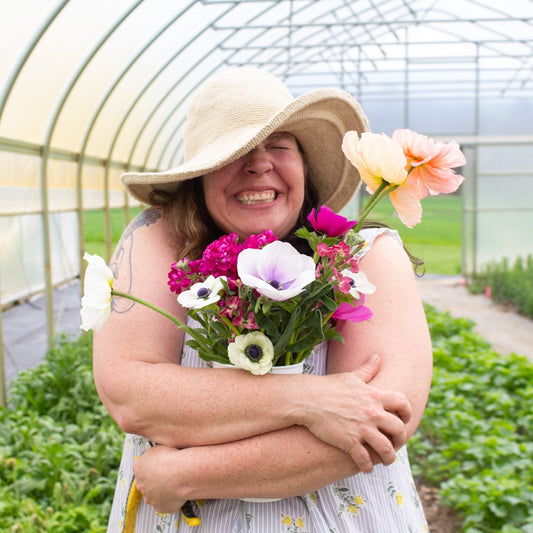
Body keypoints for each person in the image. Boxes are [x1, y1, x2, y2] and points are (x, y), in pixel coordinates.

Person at [93, 67, 433, 532]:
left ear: (304, 166)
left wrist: (185, 474)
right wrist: (311, 401)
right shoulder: (158, 239)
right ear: (200, 177)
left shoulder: (367, 254)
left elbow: (383, 423)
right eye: (234, 152)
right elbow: (132, 395)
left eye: (279, 146)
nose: (258, 164)